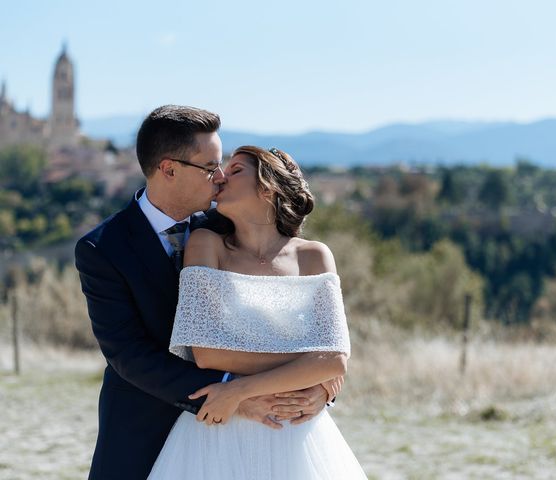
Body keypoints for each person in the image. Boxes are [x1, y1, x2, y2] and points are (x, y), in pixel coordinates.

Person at [75, 106, 335, 480]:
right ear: (169, 169)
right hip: (144, 424)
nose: (220, 177)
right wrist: (233, 393)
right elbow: (128, 354)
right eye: (210, 166)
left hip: (250, 435)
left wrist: (323, 385)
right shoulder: (102, 248)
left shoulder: (234, 220)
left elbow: (301, 306)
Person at [148, 145, 367, 479]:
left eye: (236, 170)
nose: (220, 176)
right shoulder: (207, 245)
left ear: (268, 187)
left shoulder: (314, 256)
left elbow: (335, 360)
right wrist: (307, 370)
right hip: (219, 434)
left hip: (295, 432)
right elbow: (205, 352)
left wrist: (238, 389)